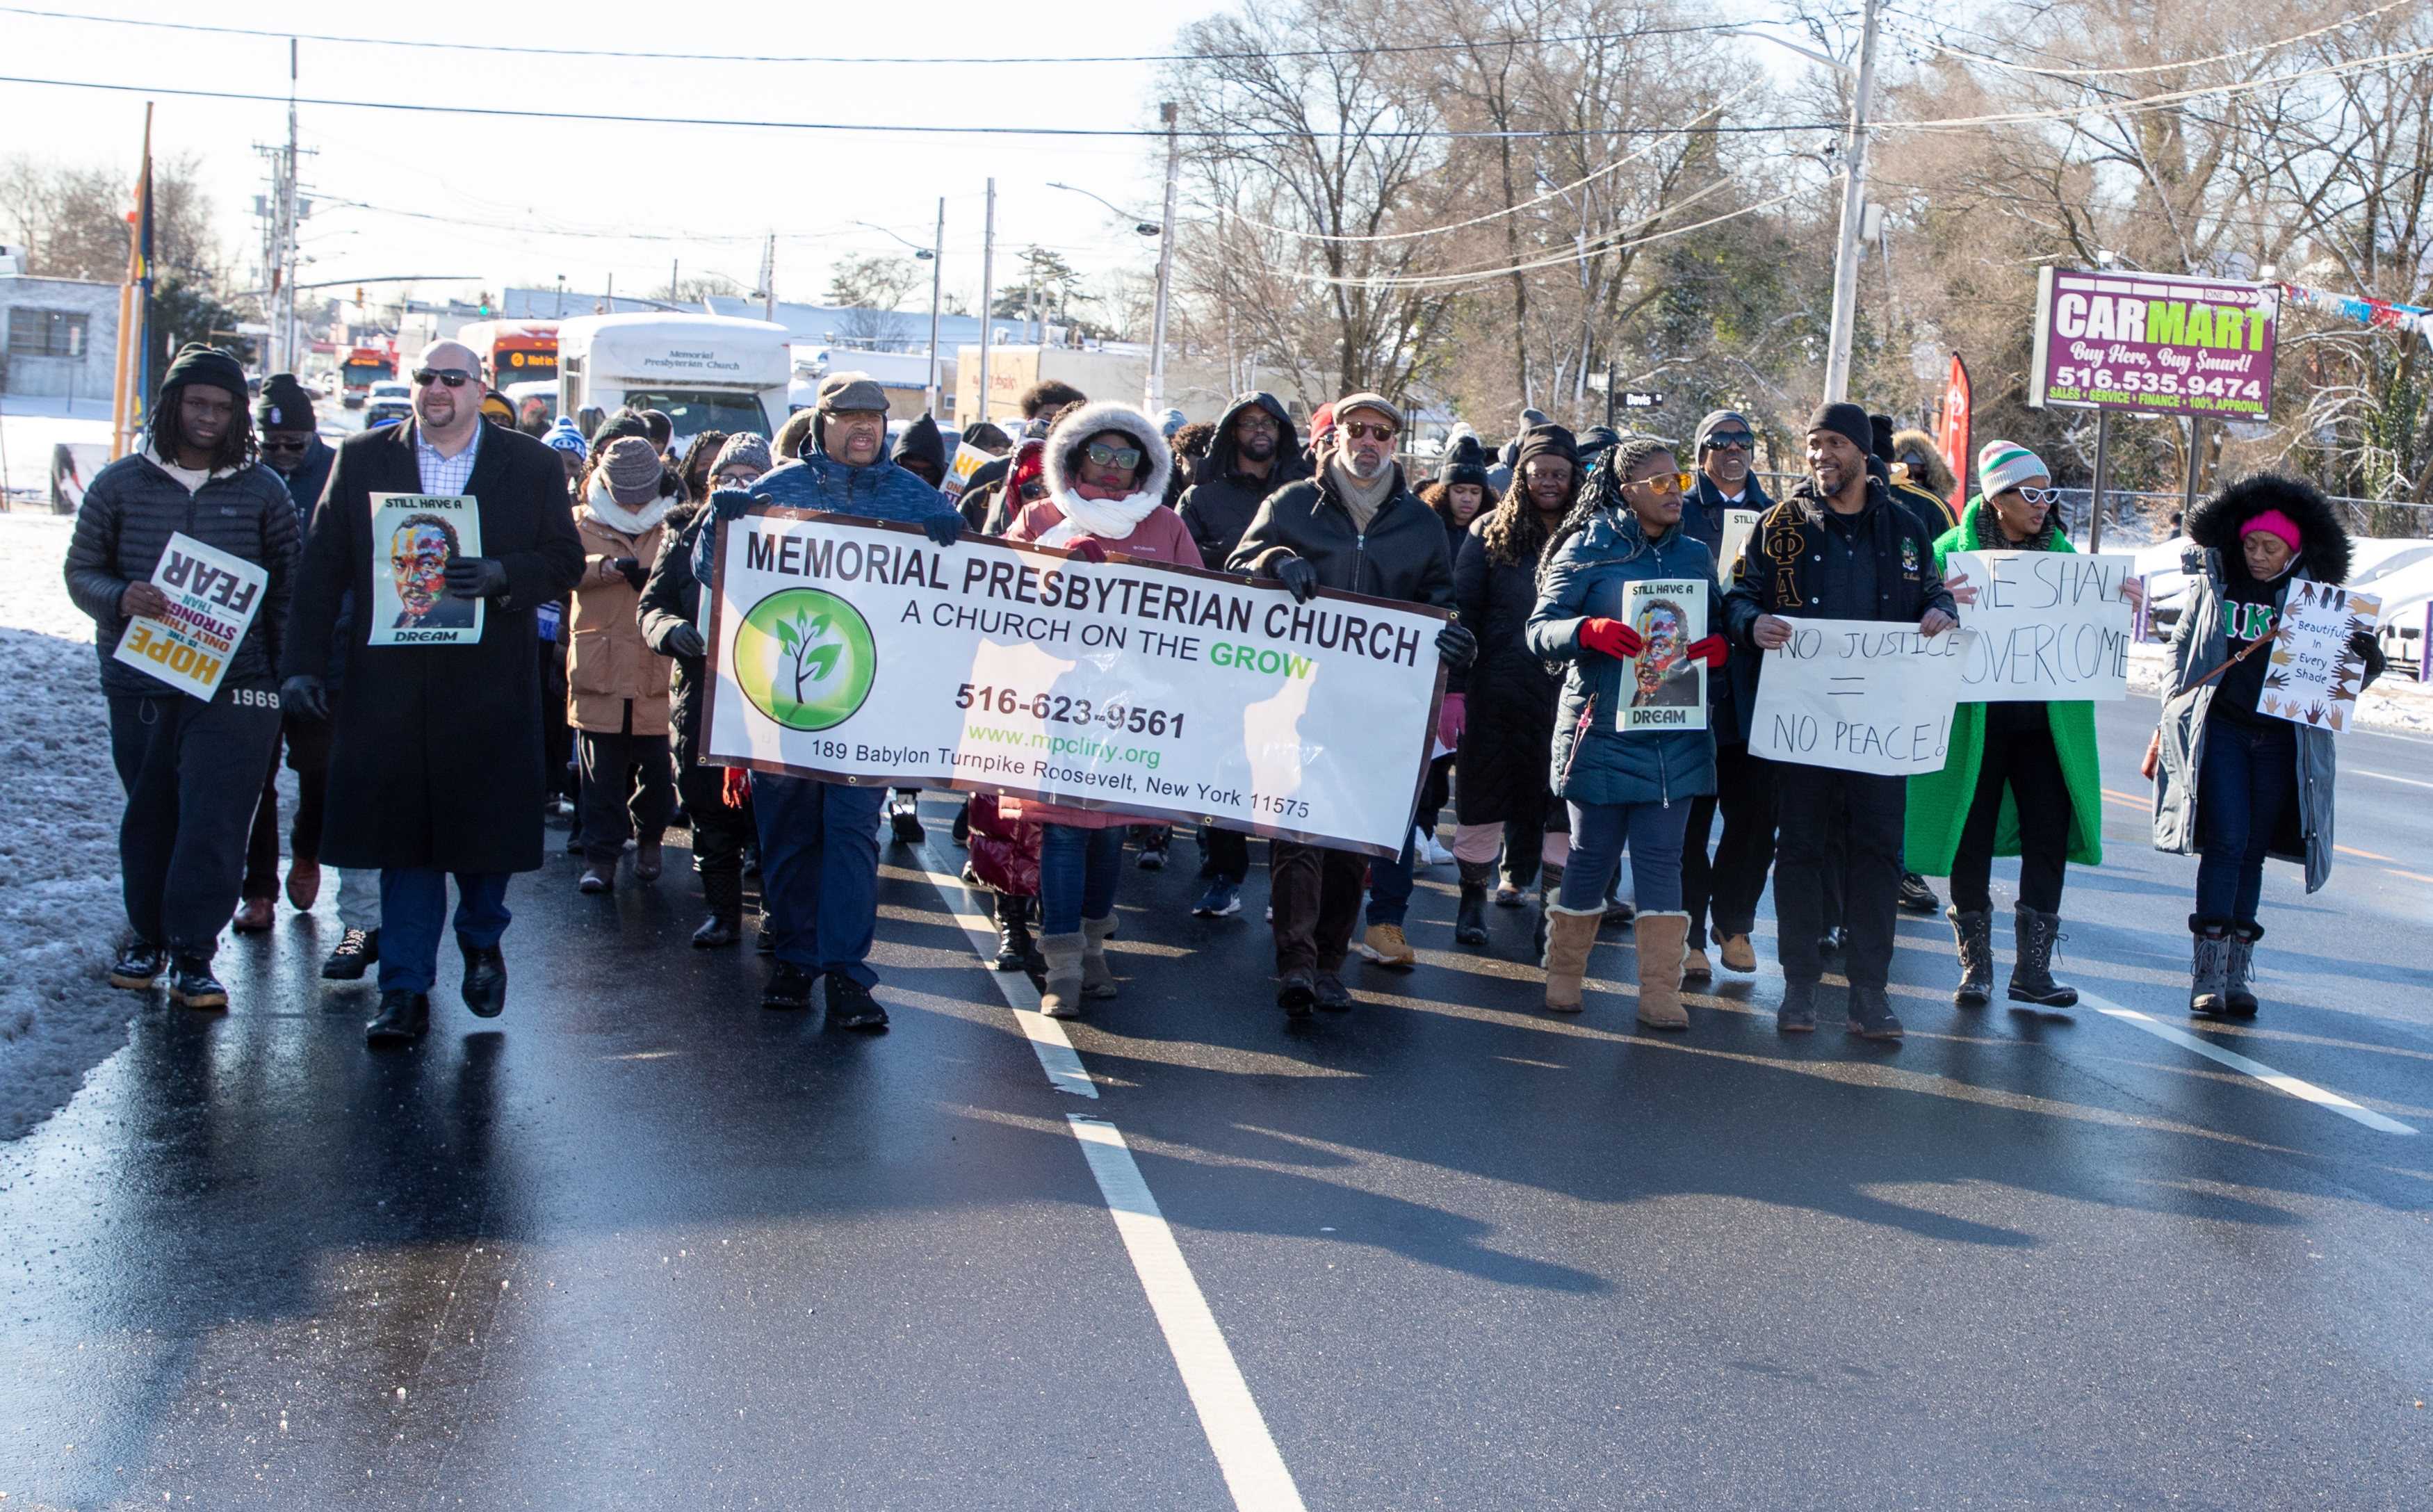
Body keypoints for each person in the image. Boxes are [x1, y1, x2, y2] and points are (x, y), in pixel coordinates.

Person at [280, 339, 585, 1045]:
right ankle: (405, 991)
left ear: (480, 389)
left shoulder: (531, 464)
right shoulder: (362, 458)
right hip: (391, 688)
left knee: (481, 842)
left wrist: (506, 574)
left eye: (452, 378)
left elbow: (565, 561)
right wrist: (299, 665)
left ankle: (481, 942)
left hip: (485, 690)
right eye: (424, 377)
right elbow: (323, 568)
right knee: (403, 845)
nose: (436, 388)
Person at [703, 373, 968, 1027]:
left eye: (874, 419)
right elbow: (710, 575)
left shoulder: (914, 497)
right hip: (784, 696)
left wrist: (956, 544)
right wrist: (720, 525)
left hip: (873, 698)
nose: (864, 428)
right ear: (819, 421)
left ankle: (849, 975)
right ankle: (796, 960)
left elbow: (960, 598)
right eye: (849, 417)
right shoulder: (774, 490)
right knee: (790, 833)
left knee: (852, 833)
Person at [66, 343, 299, 1011]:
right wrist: (119, 596)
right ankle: (147, 938)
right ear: (172, 404)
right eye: (198, 403)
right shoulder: (119, 483)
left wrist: (281, 685)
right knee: (151, 815)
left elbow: (289, 589)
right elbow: (80, 573)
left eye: (224, 408)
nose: (209, 418)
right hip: (141, 681)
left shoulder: (262, 490)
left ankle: (195, 951)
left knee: (216, 818)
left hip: (238, 686)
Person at [1228, 392, 1473, 1014]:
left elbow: (1441, 603)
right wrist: (1273, 558)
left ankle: (1331, 963)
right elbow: (1235, 568)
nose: (1369, 442)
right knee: (1299, 835)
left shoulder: (1420, 524)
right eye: (1357, 430)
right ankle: (1297, 965)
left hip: (1376, 707)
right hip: (1295, 696)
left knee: (1349, 838)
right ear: (1335, 437)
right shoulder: (1290, 505)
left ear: (1396, 443)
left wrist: (1454, 636)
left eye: (1382, 433)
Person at [1723, 402, 1958, 1040]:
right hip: (1805, 726)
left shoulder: (1906, 530)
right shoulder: (1779, 525)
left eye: (1832, 443)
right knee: (1799, 849)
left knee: (1878, 854)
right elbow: (1738, 594)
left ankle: (1870, 995)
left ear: (1860, 452)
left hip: (1881, 730)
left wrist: (1940, 611)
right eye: (1812, 444)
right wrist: (1751, 622)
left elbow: (1934, 589)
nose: (1820, 455)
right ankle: (1799, 986)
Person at [1910, 442, 2142, 1009]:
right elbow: (1908, 620)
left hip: (2045, 727)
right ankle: (1977, 968)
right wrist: (1933, 607)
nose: (2043, 506)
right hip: (1975, 726)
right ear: (1998, 499)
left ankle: (2032, 971)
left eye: (2049, 494)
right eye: (2030, 494)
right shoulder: (1946, 555)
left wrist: (2124, 602)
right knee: (1971, 833)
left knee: (2048, 834)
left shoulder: (2066, 561)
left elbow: (2095, 628)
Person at [2154, 473, 2380, 1017]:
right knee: (2227, 840)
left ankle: (2235, 972)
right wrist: (2174, 701)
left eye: (2269, 547)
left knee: (2252, 848)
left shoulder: (2320, 600)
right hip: (2226, 728)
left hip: (2282, 738)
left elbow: (2340, 678)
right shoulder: (2219, 581)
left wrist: (2360, 660)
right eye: (2251, 543)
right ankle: (2206, 975)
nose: (2256, 555)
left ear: (2294, 549)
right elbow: (2181, 644)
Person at [1000, 403, 1198, 1014]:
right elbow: (995, 605)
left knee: (1110, 836)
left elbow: (1197, 610)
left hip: (1132, 707)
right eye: (1100, 455)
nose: (1112, 469)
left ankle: (1093, 950)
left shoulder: (1165, 525)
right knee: (1062, 833)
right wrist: (1054, 569)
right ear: (1075, 457)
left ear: (1146, 463)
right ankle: (1060, 967)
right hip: (1052, 703)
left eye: (1127, 457)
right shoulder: (1039, 517)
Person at [1528, 437, 1726, 1022]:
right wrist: (1585, 630)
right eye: (1662, 483)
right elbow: (1538, 631)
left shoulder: (1694, 554)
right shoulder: (1587, 550)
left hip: (1676, 732)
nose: (1677, 492)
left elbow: (1712, 624)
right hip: (1601, 731)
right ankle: (1564, 974)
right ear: (1626, 492)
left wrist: (1719, 649)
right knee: (1591, 856)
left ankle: (1659, 991)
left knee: (1663, 860)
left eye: (1680, 480)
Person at [1176, 392, 1309, 915]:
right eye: (1249, 422)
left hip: (1292, 653)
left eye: (1269, 423)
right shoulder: (1202, 496)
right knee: (1224, 763)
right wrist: (1244, 562)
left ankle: (1286, 883)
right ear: (1232, 431)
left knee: (1288, 765)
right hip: (1223, 652)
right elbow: (1186, 566)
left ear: (1281, 431)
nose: (1260, 430)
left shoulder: (1305, 493)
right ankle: (1227, 875)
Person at [1450, 424, 1577, 953]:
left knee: (1560, 807)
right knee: (1483, 797)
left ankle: (1551, 911)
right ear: (1522, 475)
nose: (1548, 482)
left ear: (1575, 478)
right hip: (1499, 689)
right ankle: (1472, 897)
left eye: (1559, 473)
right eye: (1538, 472)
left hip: (1569, 695)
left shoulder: (1591, 533)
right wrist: (1458, 681)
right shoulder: (1487, 532)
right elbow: (1463, 606)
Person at [639, 432, 769, 946]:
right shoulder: (683, 534)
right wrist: (671, 630)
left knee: (770, 814)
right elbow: (651, 606)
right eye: (727, 478)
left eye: (750, 478)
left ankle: (777, 922)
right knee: (707, 805)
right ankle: (723, 913)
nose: (737, 487)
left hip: (771, 697)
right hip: (702, 691)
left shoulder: (795, 537)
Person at [1677, 408, 1777, 980]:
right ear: (1702, 453)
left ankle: (1734, 921)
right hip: (1690, 685)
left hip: (1760, 687)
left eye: (1744, 439)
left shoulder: (1778, 516)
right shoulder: (1680, 510)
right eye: (1720, 441)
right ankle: (1690, 932)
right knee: (1690, 819)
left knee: (1758, 816)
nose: (1733, 449)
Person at [234, 374, 336, 931]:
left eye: (292, 443)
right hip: (250, 646)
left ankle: (307, 847)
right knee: (255, 772)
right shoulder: (245, 476)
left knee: (319, 766)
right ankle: (259, 889)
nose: (279, 453)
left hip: (321, 647)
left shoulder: (340, 471)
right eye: (269, 444)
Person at [567, 436, 678, 893]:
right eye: (624, 492)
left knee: (658, 772)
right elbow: (558, 567)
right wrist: (601, 568)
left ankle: (650, 840)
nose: (634, 502)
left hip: (657, 666)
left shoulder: (677, 519)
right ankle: (601, 857)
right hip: (600, 665)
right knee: (601, 777)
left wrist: (650, 572)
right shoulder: (578, 520)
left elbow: (695, 574)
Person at [1413, 434, 1492, 877]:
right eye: (1460, 490)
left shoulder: (1492, 532)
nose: (1467, 499)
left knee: (1445, 760)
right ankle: (1418, 831)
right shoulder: (1427, 527)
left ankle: (1427, 830)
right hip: (1428, 655)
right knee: (1423, 757)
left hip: (1471, 660)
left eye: (1474, 491)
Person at [891, 413, 948, 489]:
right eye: (913, 472)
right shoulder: (879, 489)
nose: (921, 479)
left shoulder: (945, 495)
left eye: (929, 474)